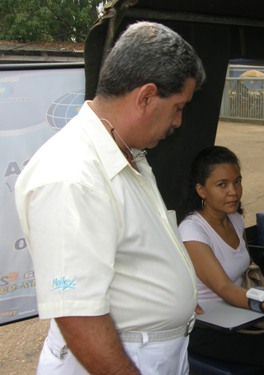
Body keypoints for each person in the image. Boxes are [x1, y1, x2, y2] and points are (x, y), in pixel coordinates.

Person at [15, 22, 205, 375]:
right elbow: (78, 317)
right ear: (146, 96)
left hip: (149, 351)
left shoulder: (124, 152)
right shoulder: (72, 175)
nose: (179, 121)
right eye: (178, 106)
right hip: (118, 360)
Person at [178, 146, 264, 375]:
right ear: (201, 190)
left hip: (241, 311)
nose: (234, 191)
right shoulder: (192, 230)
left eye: (237, 181)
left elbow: (251, 269)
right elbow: (223, 287)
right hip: (206, 326)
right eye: (222, 185)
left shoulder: (235, 219)